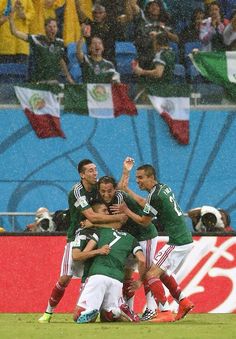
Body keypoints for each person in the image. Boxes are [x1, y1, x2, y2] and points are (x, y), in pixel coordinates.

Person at [38, 159, 126, 323]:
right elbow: (91, 216)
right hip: (77, 235)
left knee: (91, 277)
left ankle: (89, 310)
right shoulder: (77, 192)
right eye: (91, 171)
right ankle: (48, 313)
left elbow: (115, 188)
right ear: (82, 175)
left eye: (95, 169)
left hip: (98, 235)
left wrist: (125, 172)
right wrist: (117, 217)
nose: (95, 173)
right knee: (65, 278)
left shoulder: (98, 186)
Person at [111, 158, 194, 322]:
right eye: (137, 178)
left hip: (178, 241)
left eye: (141, 178)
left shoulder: (154, 196)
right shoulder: (162, 189)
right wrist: (127, 189)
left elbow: (144, 221)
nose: (138, 181)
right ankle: (183, 301)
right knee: (161, 273)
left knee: (150, 274)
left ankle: (164, 312)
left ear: (151, 177)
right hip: (183, 238)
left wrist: (126, 210)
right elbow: (144, 202)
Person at [97, 174, 173, 322]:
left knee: (148, 271)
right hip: (130, 238)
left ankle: (151, 309)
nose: (106, 194)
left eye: (109, 191)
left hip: (145, 235)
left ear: (115, 189)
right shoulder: (102, 198)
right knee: (127, 274)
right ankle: (129, 310)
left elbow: (119, 222)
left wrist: (93, 223)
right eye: (103, 191)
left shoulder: (119, 197)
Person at [73, 201, 146, 323]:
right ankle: (115, 310)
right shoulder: (131, 238)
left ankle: (90, 309)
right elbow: (142, 260)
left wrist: (99, 251)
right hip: (117, 281)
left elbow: (80, 255)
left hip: (98, 275)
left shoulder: (100, 232)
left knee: (77, 316)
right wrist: (140, 281)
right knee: (107, 317)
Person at [8, 15, 74, 84]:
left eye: (54, 27)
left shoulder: (60, 42)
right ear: (45, 28)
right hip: (39, 81)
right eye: (50, 27)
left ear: (57, 29)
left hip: (54, 81)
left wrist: (68, 77)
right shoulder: (37, 39)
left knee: (56, 83)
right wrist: (11, 19)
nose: (52, 29)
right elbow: (15, 32)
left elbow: (60, 59)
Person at [123, 0, 179, 69]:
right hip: (144, 56)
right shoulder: (141, 19)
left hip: (161, 57)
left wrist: (165, 31)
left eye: (157, 5)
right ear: (147, 8)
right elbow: (132, 4)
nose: (154, 7)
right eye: (151, 5)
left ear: (160, 9)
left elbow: (176, 39)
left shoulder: (164, 24)